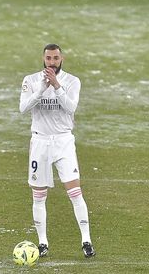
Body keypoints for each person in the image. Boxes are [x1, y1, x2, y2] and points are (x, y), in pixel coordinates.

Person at [19, 43, 95, 258]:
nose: (52, 62)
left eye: (55, 58)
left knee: (75, 192)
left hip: (63, 142)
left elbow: (71, 108)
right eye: (48, 58)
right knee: (39, 195)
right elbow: (23, 108)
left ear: (62, 59)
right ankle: (42, 243)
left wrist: (57, 86)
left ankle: (86, 240)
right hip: (40, 142)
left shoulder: (72, 81)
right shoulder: (31, 81)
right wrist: (42, 89)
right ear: (43, 58)